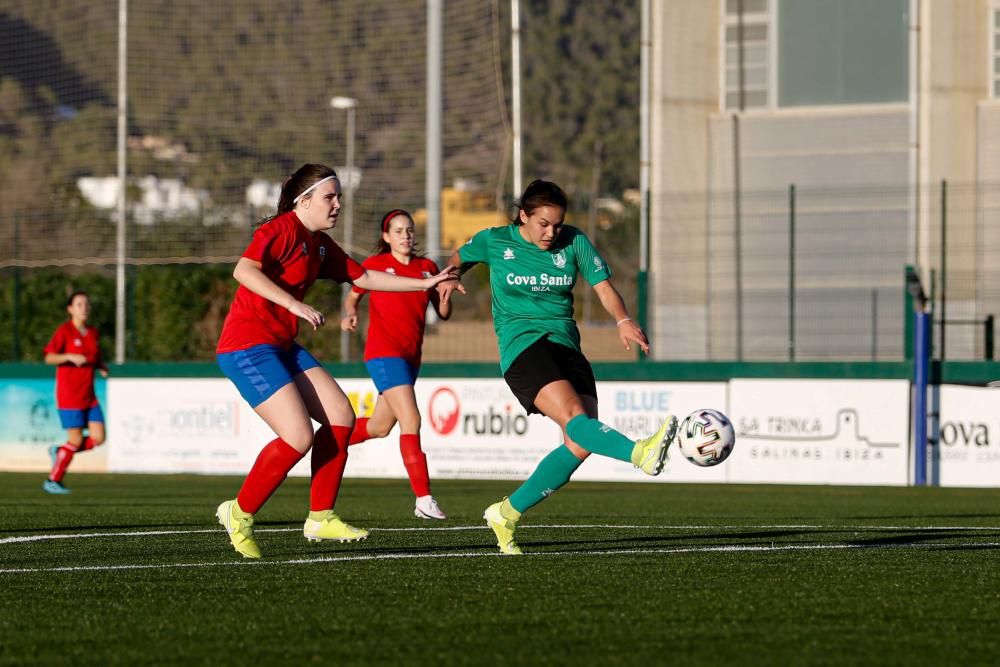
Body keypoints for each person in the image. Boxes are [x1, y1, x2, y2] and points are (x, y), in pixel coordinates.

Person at [214, 163, 461, 559]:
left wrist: (425, 283)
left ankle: (320, 516)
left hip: (281, 344)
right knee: (298, 437)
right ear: (304, 200)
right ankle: (238, 513)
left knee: (341, 418)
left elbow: (363, 278)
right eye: (330, 197)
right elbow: (244, 270)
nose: (338, 204)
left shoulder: (321, 245)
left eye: (338, 196)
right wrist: (294, 303)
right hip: (246, 346)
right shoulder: (279, 230)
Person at [440, 179, 677, 555]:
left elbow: (602, 286)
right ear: (523, 216)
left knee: (579, 442)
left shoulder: (574, 241)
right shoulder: (495, 240)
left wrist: (622, 319)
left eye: (557, 224)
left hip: (566, 345)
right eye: (543, 224)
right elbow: (458, 257)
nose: (551, 232)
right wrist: (450, 277)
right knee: (574, 416)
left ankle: (506, 513)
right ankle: (639, 453)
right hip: (523, 347)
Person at [341, 209, 450, 520]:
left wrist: (446, 292)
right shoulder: (373, 266)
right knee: (411, 419)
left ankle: (329, 438)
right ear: (386, 237)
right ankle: (423, 499)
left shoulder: (427, 268)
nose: (406, 235)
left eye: (410, 230)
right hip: (383, 353)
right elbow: (353, 296)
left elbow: (442, 313)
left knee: (378, 427)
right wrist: (349, 311)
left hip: (410, 357)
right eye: (399, 231)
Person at [42, 291, 109, 494]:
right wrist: (68, 356)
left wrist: (101, 366)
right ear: (70, 309)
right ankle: (52, 480)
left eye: (87, 304)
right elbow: (49, 358)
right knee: (76, 440)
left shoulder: (93, 333)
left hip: (89, 396)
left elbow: (94, 356)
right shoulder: (64, 331)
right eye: (79, 304)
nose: (85, 307)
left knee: (98, 437)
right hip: (70, 395)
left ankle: (61, 452)